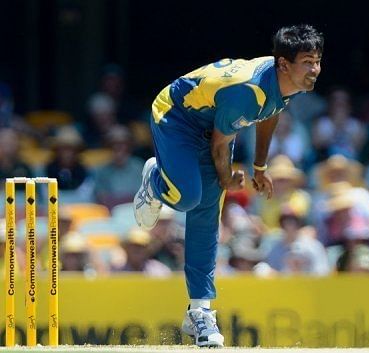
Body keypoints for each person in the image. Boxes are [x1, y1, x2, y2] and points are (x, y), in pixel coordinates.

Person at [132, 24, 324, 347]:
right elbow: (222, 144)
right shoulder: (247, 92)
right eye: (308, 61)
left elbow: (270, 114)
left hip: (213, 122)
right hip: (177, 116)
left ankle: (200, 312)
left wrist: (259, 167)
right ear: (284, 64)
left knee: (208, 215)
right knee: (189, 196)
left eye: (318, 60)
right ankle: (155, 180)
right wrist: (225, 178)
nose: (315, 69)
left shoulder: (284, 83)